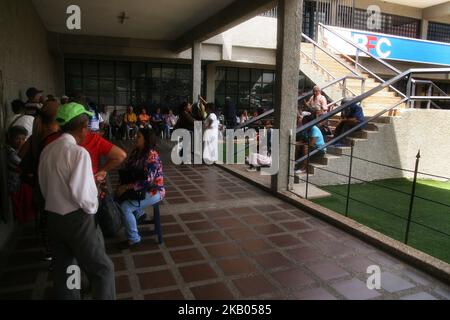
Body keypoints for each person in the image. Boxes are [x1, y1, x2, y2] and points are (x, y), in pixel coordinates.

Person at [38, 103, 115, 300]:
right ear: (82, 128)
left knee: (67, 269)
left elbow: (44, 185)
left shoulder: (48, 150)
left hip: (53, 218)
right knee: (102, 269)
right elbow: (85, 197)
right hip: (77, 220)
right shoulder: (78, 153)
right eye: (87, 127)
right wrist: (94, 193)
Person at [116, 128, 165, 248]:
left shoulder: (152, 156)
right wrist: (122, 184)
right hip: (139, 189)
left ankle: (134, 239)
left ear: (146, 140)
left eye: (138, 137)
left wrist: (126, 187)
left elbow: (148, 181)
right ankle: (139, 214)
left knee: (125, 207)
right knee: (116, 197)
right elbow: (128, 169)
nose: (135, 138)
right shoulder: (136, 153)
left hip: (154, 191)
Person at [7, 126, 36, 224]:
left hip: (19, 182)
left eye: (23, 139)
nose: (20, 142)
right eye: (17, 139)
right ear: (10, 138)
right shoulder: (9, 151)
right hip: (14, 184)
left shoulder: (18, 150)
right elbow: (21, 163)